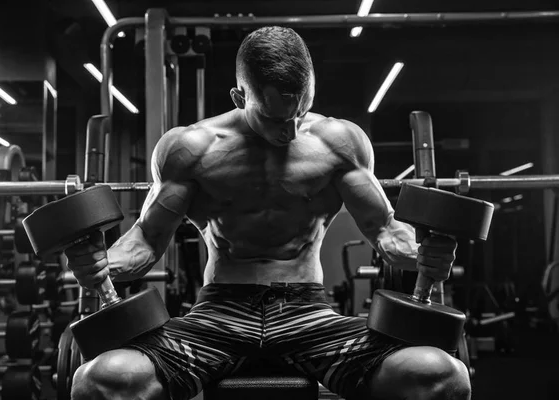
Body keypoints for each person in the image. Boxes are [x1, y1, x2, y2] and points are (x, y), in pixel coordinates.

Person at [66, 26, 469, 400]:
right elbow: (146, 240)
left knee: (442, 375)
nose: (291, 132)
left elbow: (384, 230)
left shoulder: (340, 142)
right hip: (218, 316)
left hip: (309, 316)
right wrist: (105, 263)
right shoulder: (190, 149)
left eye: (301, 112)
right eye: (276, 118)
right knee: (99, 381)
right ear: (240, 98)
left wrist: (422, 254)